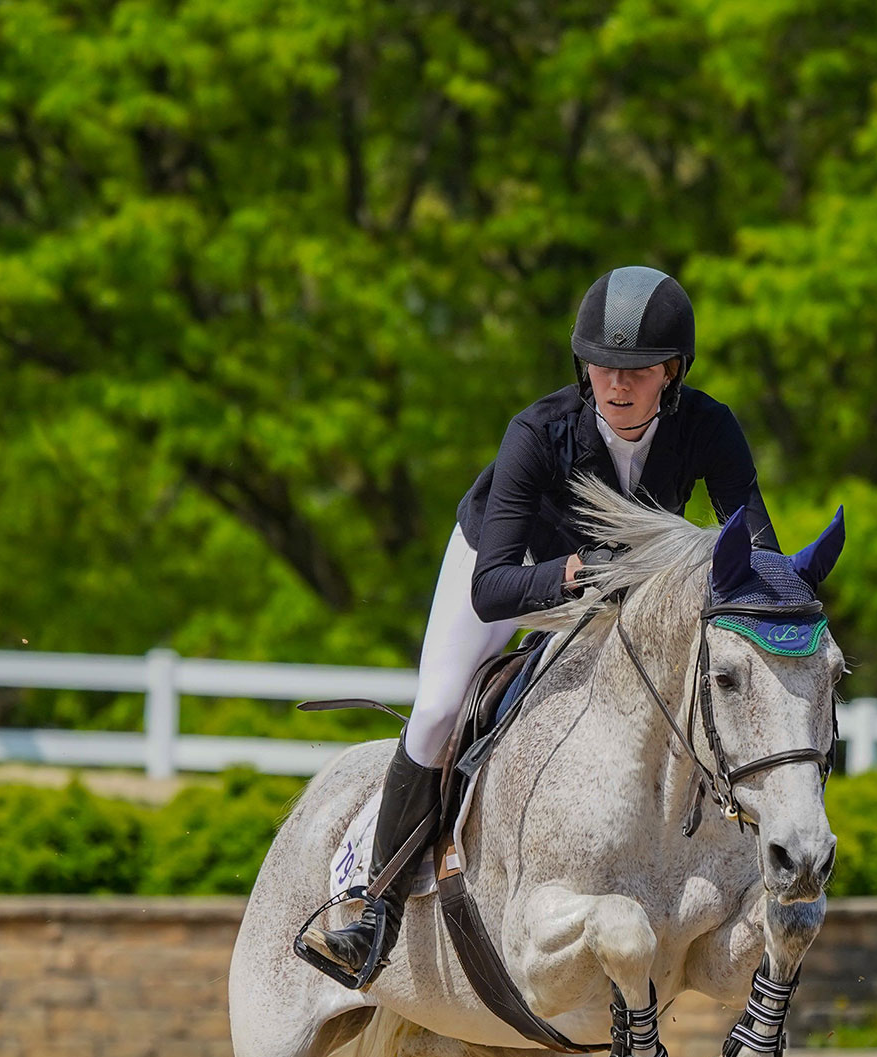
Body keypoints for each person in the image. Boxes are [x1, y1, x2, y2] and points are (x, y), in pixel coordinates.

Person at [297, 265, 781, 988]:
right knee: (434, 712)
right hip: (512, 572)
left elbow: (758, 545)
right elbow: (491, 589)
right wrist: (575, 575)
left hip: (617, 591)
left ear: (672, 373)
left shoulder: (709, 427)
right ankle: (374, 906)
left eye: (639, 371)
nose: (617, 385)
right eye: (603, 367)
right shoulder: (537, 432)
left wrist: (785, 598)